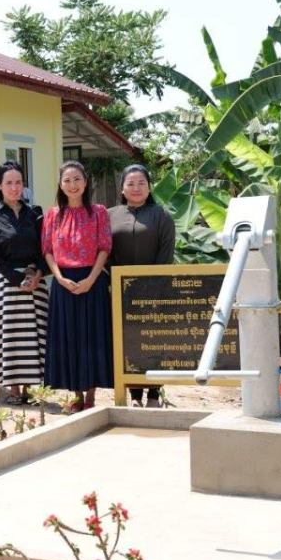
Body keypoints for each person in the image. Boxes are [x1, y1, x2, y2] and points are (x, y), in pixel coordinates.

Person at [42, 161, 113, 410]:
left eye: (77, 179)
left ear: (86, 181)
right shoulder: (53, 215)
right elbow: (47, 250)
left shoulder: (99, 212)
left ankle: (91, 396)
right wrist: (60, 278)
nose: (73, 185)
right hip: (63, 283)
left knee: (92, 338)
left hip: (93, 281)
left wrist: (91, 279)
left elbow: (105, 247)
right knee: (68, 339)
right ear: (60, 185)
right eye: (67, 180)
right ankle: (76, 395)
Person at [0, 161, 49, 404]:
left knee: (33, 336)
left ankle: (31, 389)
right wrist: (18, 279)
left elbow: (45, 249)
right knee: (9, 337)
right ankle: (13, 390)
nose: (14, 187)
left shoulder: (36, 213)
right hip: (6, 282)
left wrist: (37, 274)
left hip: (35, 282)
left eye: (18, 182)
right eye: (8, 182)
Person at [109, 164, 177, 407]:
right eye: (130, 183)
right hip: (121, 290)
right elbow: (104, 251)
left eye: (141, 183)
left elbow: (166, 254)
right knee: (129, 340)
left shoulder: (162, 216)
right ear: (122, 188)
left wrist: (153, 284)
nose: (136, 188)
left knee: (154, 339)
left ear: (149, 188)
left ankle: (154, 394)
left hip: (155, 290)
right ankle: (135, 395)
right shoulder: (109, 215)